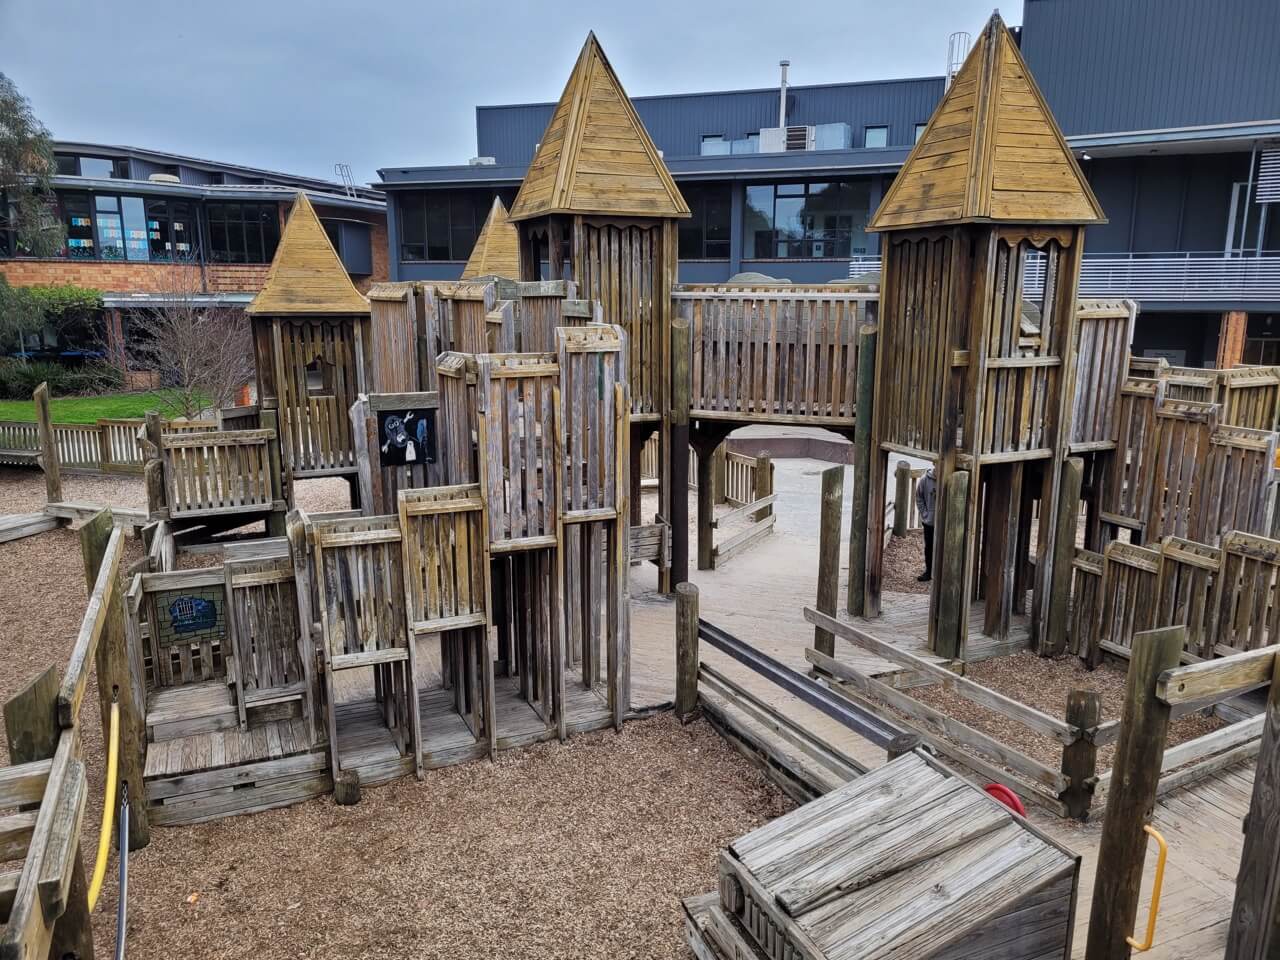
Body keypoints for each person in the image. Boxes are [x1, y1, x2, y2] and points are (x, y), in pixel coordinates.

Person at [916, 466, 937, 583]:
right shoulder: (924, 479)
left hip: (944, 522)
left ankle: (940, 572)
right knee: (929, 547)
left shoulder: (946, 476)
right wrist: (925, 514)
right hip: (929, 522)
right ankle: (928, 572)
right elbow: (919, 498)